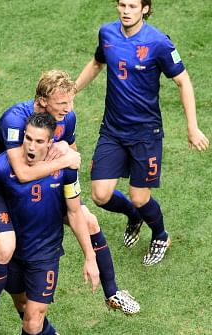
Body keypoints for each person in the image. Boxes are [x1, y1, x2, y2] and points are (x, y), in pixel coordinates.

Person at [0, 70, 140, 334]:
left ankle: (111, 292)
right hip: (5, 189)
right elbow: (21, 173)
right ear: (43, 100)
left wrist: (67, 154)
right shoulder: (15, 120)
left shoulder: (66, 118)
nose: (68, 110)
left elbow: (73, 153)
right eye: (62, 104)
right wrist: (63, 160)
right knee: (6, 248)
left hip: (45, 185)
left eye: (70, 103)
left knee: (88, 220)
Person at [0, 112, 100, 335]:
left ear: (50, 142)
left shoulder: (65, 169)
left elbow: (74, 213)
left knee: (33, 322)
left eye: (39, 141)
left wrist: (90, 258)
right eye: (28, 138)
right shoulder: (2, 165)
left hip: (45, 255)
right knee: (24, 308)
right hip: (14, 255)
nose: (31, 146)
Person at [75, 0, 209, 266]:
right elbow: (96, 63)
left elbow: (183, 81)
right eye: (122, 5)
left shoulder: (159, 43)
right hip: (112, 130)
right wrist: (72, 90)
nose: (126, 10)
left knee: (140, 196)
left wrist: (192, 127)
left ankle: (160, 235)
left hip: (145, 134)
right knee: (100, 195)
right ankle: (134, 216)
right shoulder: (107, 33)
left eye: (133, 6)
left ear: (145, 9)